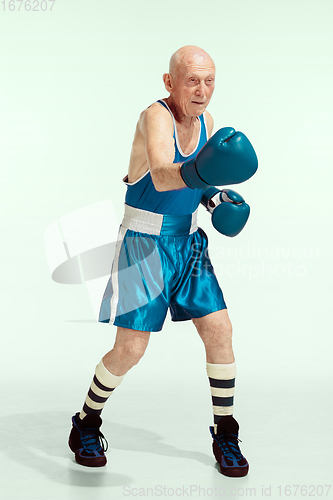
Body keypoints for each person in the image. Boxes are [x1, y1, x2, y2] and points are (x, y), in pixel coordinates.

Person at [68, 45, 257, 477]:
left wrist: (215, 199)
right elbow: (161, 174)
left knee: (220, 330)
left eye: (209, 80)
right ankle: (86, 422)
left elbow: (196, 184)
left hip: (188, 243)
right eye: (192, 79)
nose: (202, 89)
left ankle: (226, 431)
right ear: (170, 82)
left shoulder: (207, 122)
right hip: (143, 244)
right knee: (131, 348)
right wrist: (207, 176)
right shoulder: (155, 115)